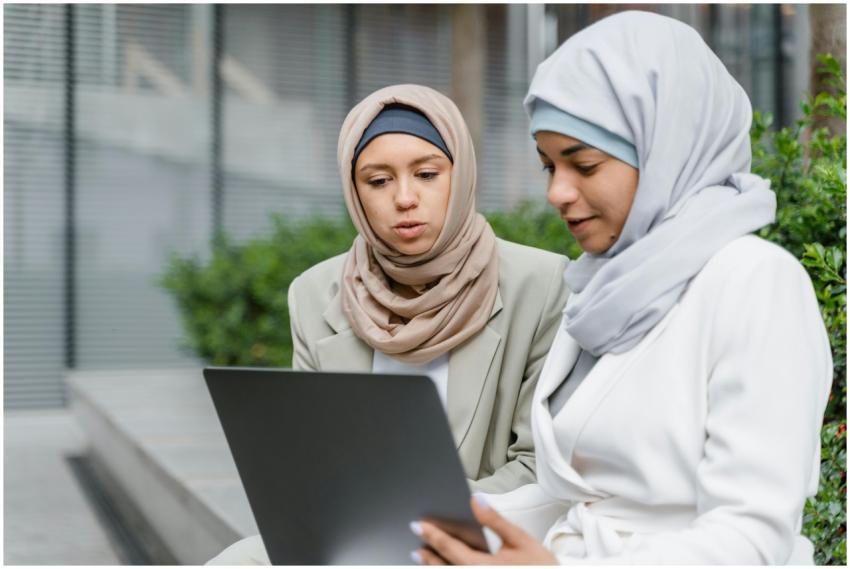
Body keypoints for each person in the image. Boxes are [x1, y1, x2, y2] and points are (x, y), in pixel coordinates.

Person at [412, 11, 832, 565]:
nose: (557, 193)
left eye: (583, 164)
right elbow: (585, 501)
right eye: (548, 166)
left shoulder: (754, 282)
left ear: (666, 149)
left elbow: (752, 542)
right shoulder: (603, 285)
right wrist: (429, 521)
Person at [207, 84, 569, 564]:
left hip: (481, 539)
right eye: (377, 181)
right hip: (354, 535)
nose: (404, 198)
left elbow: (537, 465)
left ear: (459, 176)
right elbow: (313, 459)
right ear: (353, 192)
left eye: (426, 174)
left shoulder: (540, 284)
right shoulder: (315, 293)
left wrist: (422, 520)